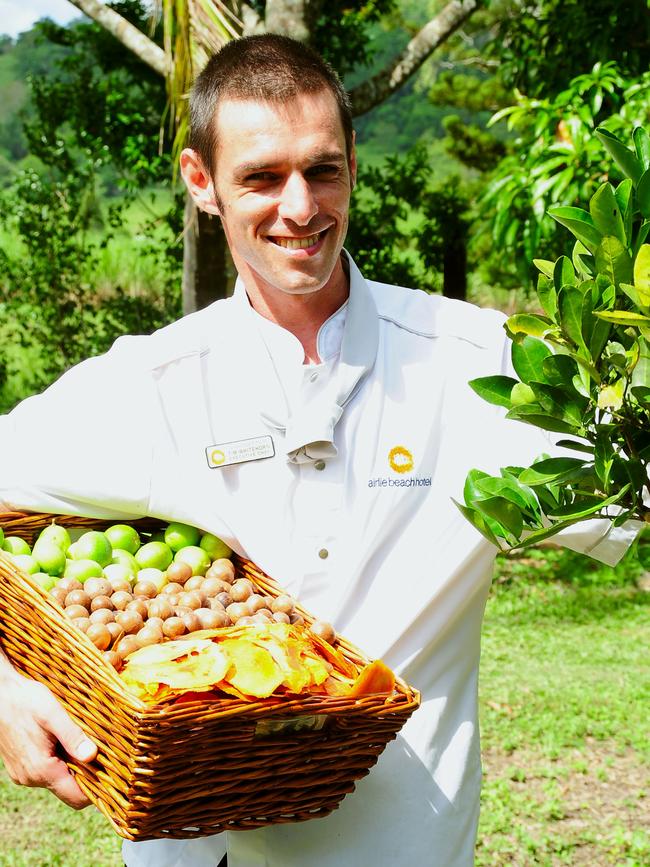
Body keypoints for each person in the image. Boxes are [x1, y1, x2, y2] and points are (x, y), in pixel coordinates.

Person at [0, 35, 640, 867]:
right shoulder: (149, 387)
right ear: (202, 182)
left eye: (323, 169)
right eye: (262, 177)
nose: (300, 207)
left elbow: (632, 492)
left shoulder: (482, 369)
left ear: (352, 166)